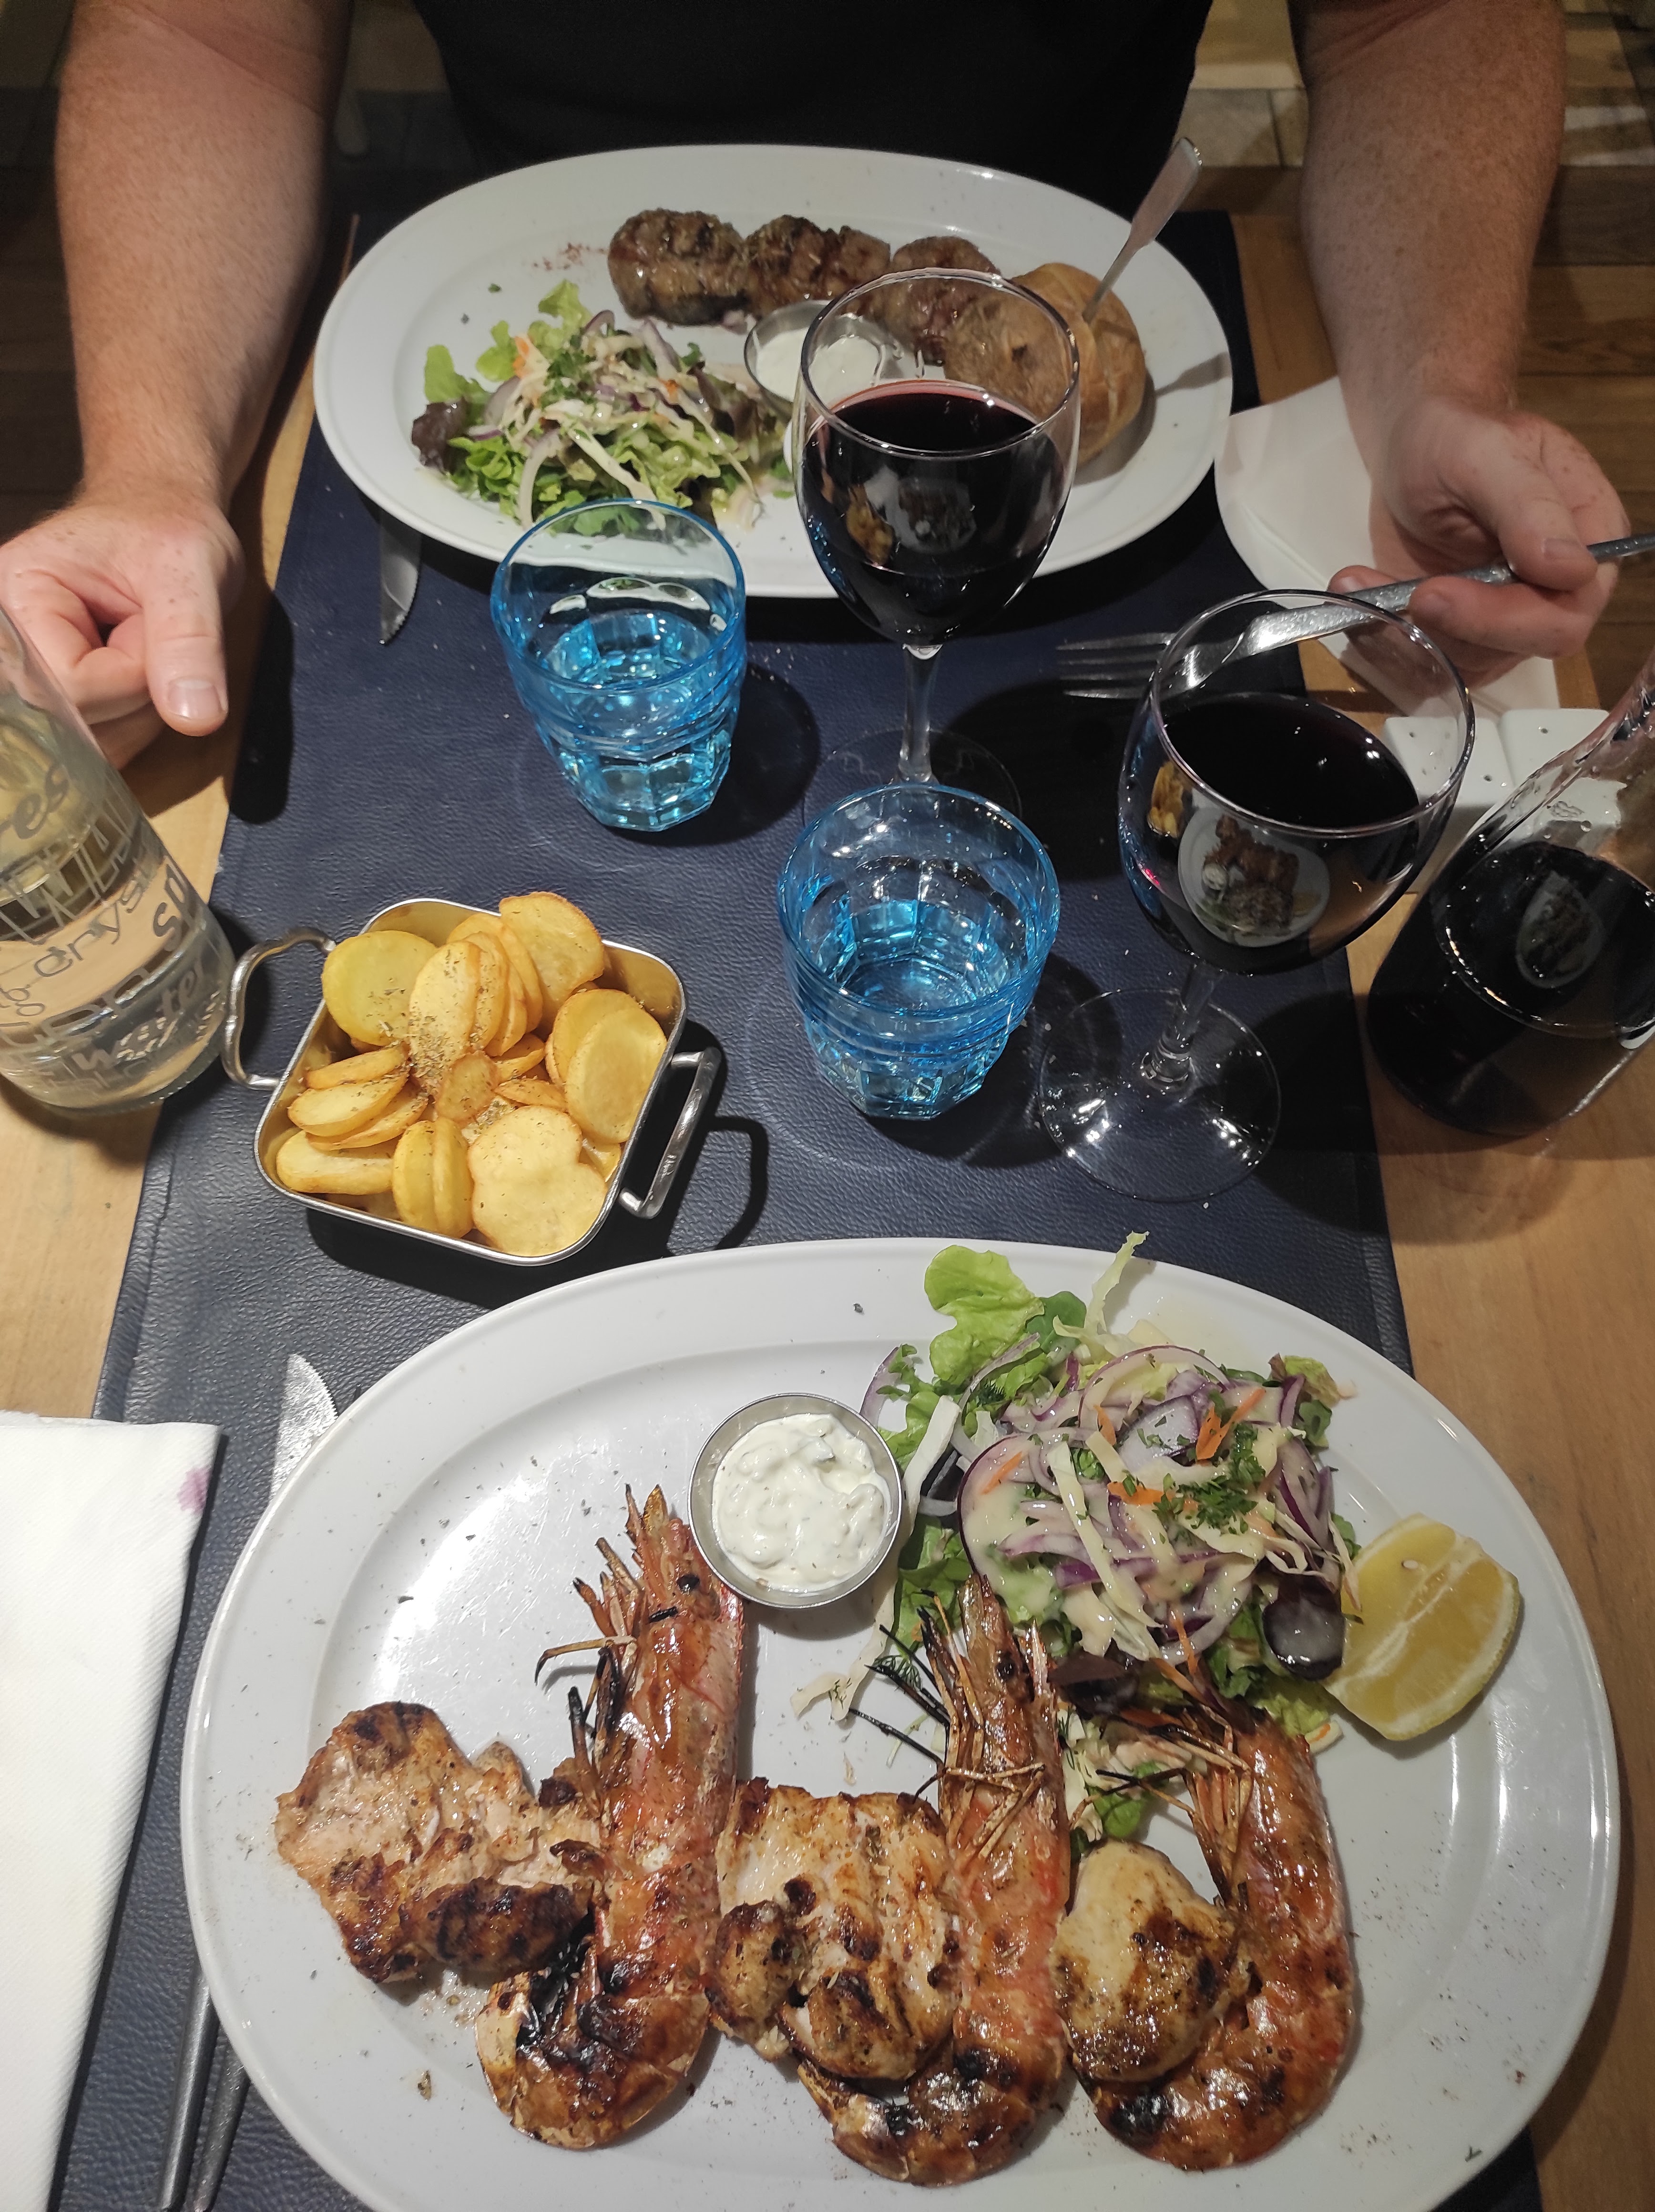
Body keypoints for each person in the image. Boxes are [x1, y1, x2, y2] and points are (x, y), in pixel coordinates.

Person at [0, 0, 1627, 768]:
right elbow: (206, 35)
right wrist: (149, 469)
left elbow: (1421, 16)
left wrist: (1429, 384)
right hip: (535, 279)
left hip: (1100, 381)